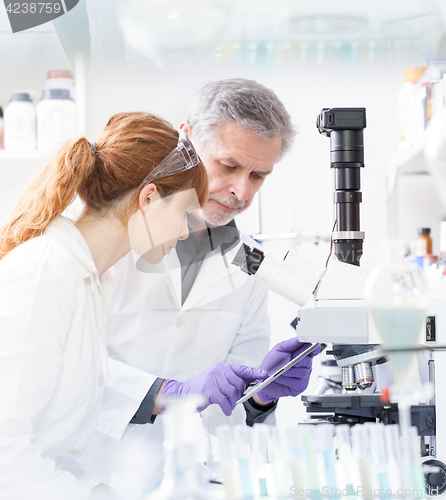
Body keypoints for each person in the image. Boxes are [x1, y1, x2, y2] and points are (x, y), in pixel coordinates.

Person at [0, 111, 268, 500]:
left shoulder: (91, 279)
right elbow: (7, 453)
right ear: (148, 198)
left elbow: (53, 444)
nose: (183, 231)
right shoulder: (46, 274)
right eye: (182, 214)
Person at [77, 79, 320, 494]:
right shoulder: (113, 234)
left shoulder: (251, 265)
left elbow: (230, 409)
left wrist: (262, 394)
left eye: (258, 175)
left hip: (179, 484)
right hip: (81, 475)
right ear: (186, 140)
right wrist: (167, 392)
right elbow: (65, 367)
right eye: (228, 166)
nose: (242, 191)